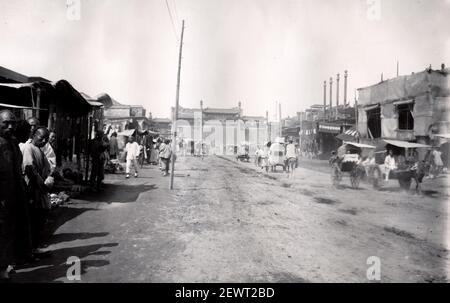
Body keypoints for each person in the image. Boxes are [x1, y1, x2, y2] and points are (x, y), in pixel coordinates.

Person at [21, 127, 53, 258]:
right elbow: (30, 170)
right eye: (41, 138)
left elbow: (47, 168)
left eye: (46, 139)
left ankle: (34, 248)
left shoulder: (39, 150)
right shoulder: (29, 148)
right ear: (33, 135)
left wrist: (48, 177)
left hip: (39, 190)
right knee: (33, 220)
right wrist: (43, 183)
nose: (44, 141)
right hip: (32, 190)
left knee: (39, 219)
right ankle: (30, 250)